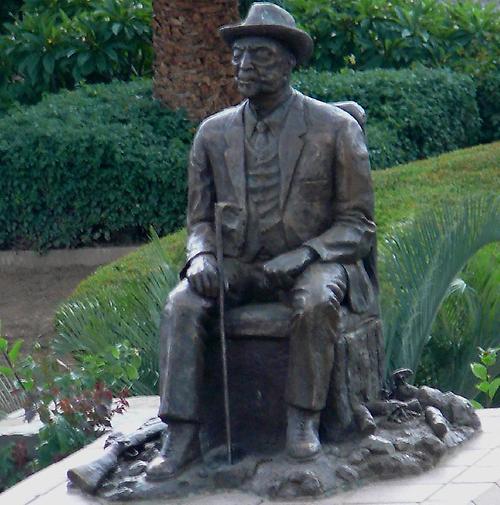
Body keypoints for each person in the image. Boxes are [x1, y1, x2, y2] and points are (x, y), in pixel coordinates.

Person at [146, 2, 378, 480]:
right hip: (242, 264)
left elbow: (358, 224)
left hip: (316, 263)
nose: (245, 67)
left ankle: (302, 422)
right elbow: (198, 222)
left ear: (290, 62)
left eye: (260, 56)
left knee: (316, 301)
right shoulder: (212, 135)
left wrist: (307, 253)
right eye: (239, 57)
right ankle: (182, 435)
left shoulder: (335, 129)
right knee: (182, 304)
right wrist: (202, 256)